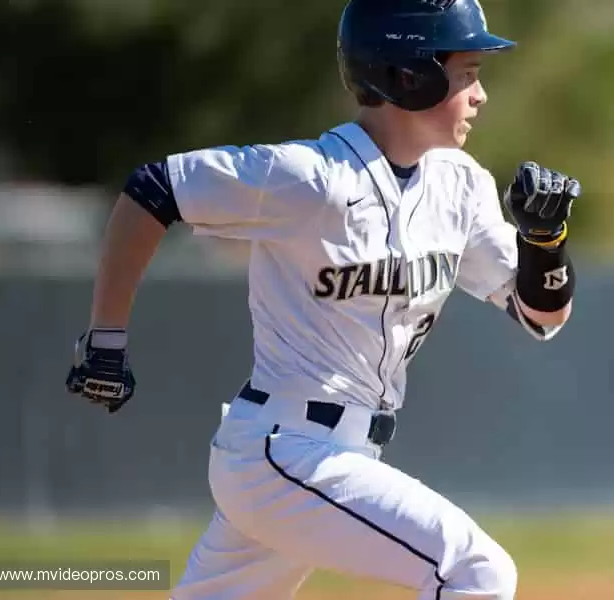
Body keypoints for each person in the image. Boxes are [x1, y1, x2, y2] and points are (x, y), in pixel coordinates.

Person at [63, 1, 580, 598]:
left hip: (335, 455)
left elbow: (542, 315)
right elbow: (152, 190)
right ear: (409, 76)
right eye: (466, 72)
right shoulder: (310, 177)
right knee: (475, 571)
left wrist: (545, 242)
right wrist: (106, 337)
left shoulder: (461, 185)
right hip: (284, 451)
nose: (480, 94)